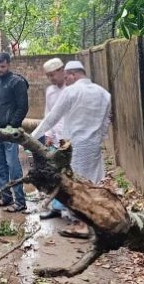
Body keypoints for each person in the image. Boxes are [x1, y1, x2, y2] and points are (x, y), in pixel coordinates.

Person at [30, 60, 112, 237]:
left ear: (73, 75)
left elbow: (51, 118)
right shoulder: (104, 94)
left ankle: (81, 224)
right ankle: (92, 221)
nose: (65, 81)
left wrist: (31, 138)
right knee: (92, 184)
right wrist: (98, 141)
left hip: (74, 146)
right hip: (93, 147)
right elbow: (106, 123)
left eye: (66, 77)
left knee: (75, 186)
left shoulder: (71, 91)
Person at [0, 52, 29, 213]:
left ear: (9, 65)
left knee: (13, 165)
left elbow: (23, 107)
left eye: (2, 66)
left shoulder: (17, 82)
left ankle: (20, 201)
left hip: (10, 131)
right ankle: (6, 197)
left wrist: (12, 125)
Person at [36, 57, 67, 220]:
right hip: (55, 140)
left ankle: (75, 210)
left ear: (62, 71)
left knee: (70, 177)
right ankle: (57, 208)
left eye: (53, 74)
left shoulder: (73, 89)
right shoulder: (50, 91)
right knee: (54, 174)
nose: (51, 79)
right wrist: (47, 134)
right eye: (48, 76)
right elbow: (48, 114)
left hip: (70, 140)